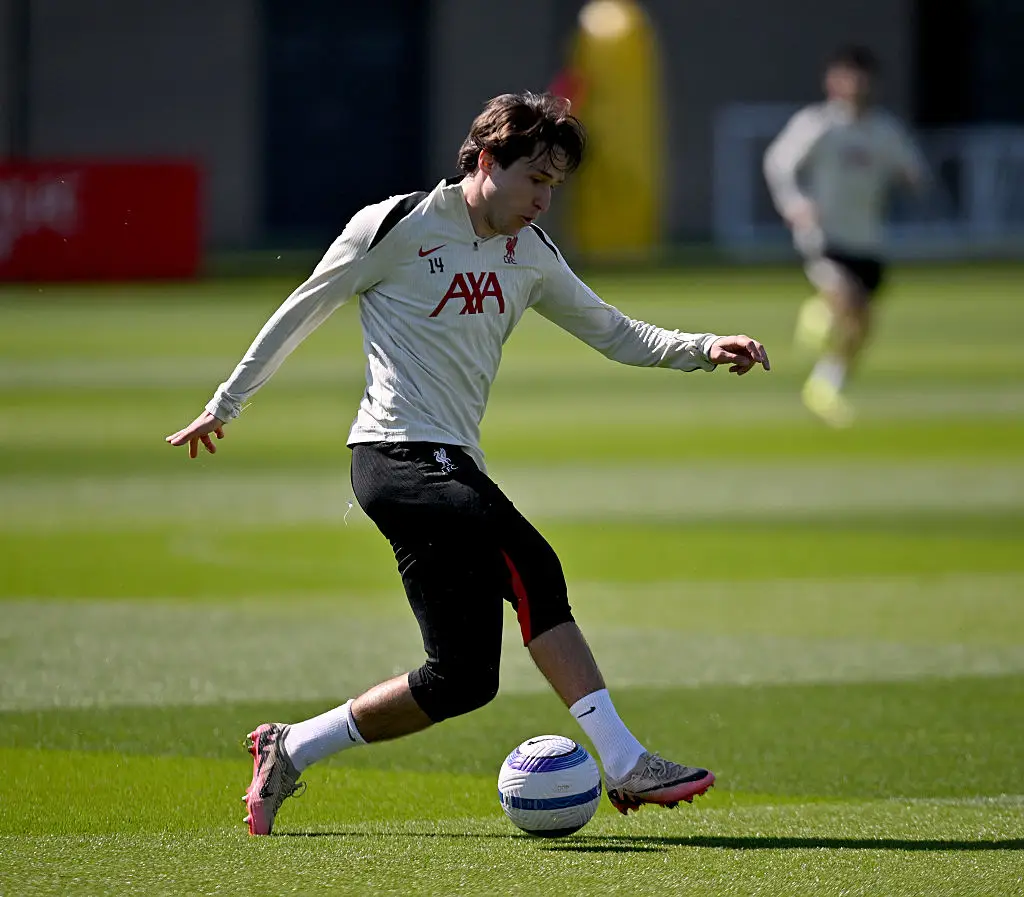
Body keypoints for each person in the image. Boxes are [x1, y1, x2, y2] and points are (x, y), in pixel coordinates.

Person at [166, 91, 770, 836]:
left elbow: (615, 331)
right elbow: (303, 307)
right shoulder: (395, 225)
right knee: (533, 564)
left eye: (554, 186)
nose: (544, 201)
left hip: (456, 464)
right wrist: (225, 404)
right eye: (535, 181)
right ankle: (625, 759)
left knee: (462, 678)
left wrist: (705, 346)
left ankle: (288, 746)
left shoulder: (530, 253)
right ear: (487, 163)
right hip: (393, 455)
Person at [763, 45, 925, 427]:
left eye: (861, 74)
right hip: (824, 236)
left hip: (867, 239)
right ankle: (819, 316)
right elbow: (779, 163)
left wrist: (911, 179)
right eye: (847, 74)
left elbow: (912, 170)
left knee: (863, 321)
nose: (855, 83)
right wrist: (794, 203)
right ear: (832, 80)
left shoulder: (884, 130)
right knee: (846, 296)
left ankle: (824, 383)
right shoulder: (819, 124)